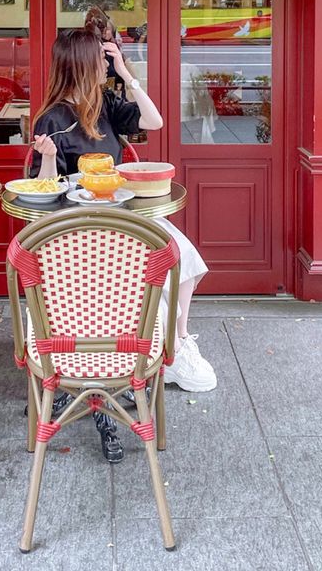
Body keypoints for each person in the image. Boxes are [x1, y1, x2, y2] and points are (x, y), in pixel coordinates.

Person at [30, 29, 217, 460]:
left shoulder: (107, 106)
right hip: (74, 230)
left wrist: (127, 74)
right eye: (100, 59)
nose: (105, 65)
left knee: (184, 256)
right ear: (79, 63)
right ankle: (135, 348)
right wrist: (44, 154)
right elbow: (44, 193)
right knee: (157, 263)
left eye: (107, 58)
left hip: (123, 217)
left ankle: (177, 343)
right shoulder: (53, 119)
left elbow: (155, 122)